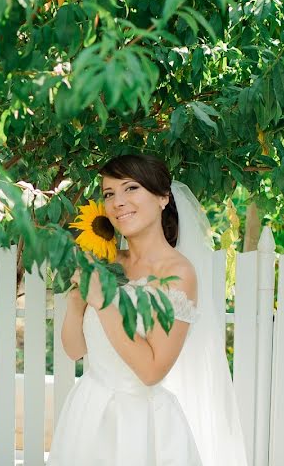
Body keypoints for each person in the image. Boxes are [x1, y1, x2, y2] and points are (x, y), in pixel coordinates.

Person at [47, 154, 247, 466]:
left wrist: (103, 302)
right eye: (110, 194)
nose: (118, 202)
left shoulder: (179, 275)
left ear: (163, 198)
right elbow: (75, 351)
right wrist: (76, 305)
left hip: (140, 428)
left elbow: (152, 371)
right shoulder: (108, 262)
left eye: (131, 189)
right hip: (87, 414)